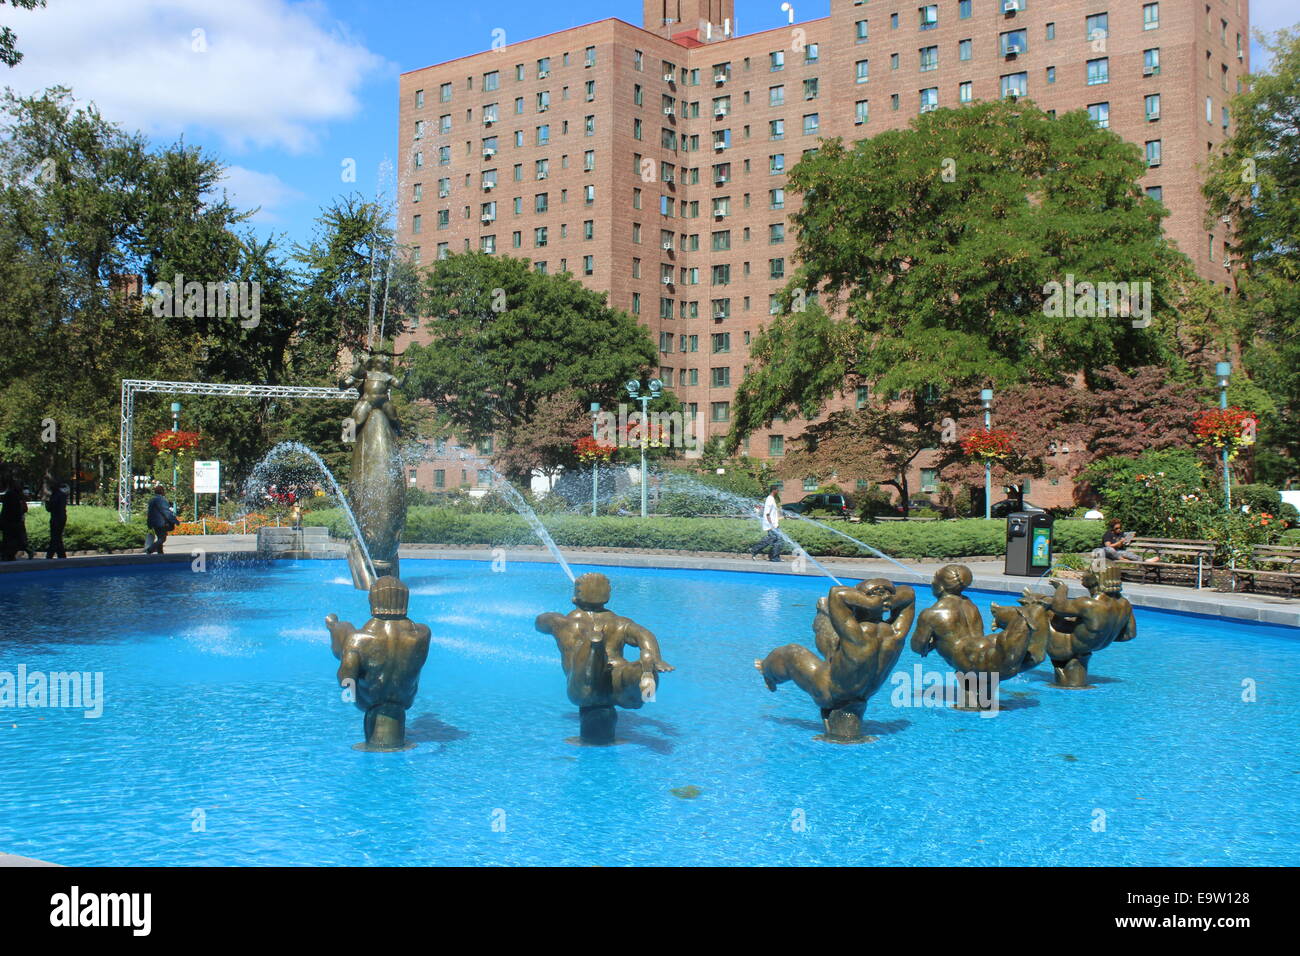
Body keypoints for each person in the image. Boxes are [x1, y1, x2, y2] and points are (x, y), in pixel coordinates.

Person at [748, 484, 784, 562]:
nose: (778, 491)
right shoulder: (769, 499)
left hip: (774, 524)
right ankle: (754, 550)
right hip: (770, 524)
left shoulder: (772, 499)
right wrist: (771, 524)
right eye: (777, 490)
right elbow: (767, 513)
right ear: (774, 490)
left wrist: (776, 522)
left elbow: (773, 512)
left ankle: (774, 557)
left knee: (778, 540)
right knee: (773, 538)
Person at [0, 476, 31, 560]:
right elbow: (14, 509)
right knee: (12, 538)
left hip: (12, 521)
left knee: (10, 538)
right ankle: (8, 554)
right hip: (12, 521)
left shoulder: (15, 495)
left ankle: (8, 554)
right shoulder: (14, 495)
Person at [145, 484, 178, 554]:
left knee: (160, 536)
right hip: (161, 522)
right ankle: (150, 549)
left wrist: (149, 523)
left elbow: (149, 513)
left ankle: (160, 553)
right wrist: (174, 520)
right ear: (162, 491)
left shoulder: (152, 500)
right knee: (162, 538)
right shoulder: (162, 500)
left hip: (154, 522)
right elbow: (166, 512)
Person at [45, 480, 68, 559]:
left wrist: (47, 502)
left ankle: (50, 554)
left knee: (55, 537)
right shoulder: (62, 495)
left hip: (56, 518)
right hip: (61, 518)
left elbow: (50, 508)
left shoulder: (55, 495)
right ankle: (61, 555)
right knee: (57, 537)